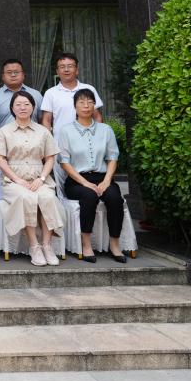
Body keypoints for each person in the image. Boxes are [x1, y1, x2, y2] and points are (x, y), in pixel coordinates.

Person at [0, 91, 65, 267]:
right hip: (13, 181)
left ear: (33, 107)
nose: (22, 107)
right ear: (12, 108)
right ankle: (34, 246)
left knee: (47, 197)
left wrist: (42, 178)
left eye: (26, 104)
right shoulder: (4, 132)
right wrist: (17, 179)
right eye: (18, 104)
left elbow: (50, 158)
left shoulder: (43, 131)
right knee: (27, 197)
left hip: (39, 178)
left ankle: (47, 245)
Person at [57, 88, 127, 263]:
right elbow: (64, 162)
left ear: (94, 105)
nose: (86, 106)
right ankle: (86, 244)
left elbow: (112, 157)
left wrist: (107, 180)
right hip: (76, 180)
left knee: (115, 198)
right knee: (89, 196)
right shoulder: (66, 131)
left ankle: (115, 244)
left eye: (90, 102)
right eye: (81, 102)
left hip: (103, 178)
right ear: (75, 106)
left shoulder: (106, 130)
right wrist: (84, 183)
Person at [41, 52, 103, 137]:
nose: (66, 70)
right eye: (62, 67)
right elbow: (46, 120)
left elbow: (97, 116)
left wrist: (98, 137)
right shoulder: (50, 93)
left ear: (77, 70)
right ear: (57, 72)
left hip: (87, 140)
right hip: (60, 142)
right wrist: (49, 141)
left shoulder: (89, 89)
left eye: (70, 66)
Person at [0, 59, 43, 136]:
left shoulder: (36, 94)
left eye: (16, 72)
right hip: (5, 141)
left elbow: (42, 120)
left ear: (23, 75)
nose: (13, 75)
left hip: (34, 140)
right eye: (9, 72)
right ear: (3, 76)